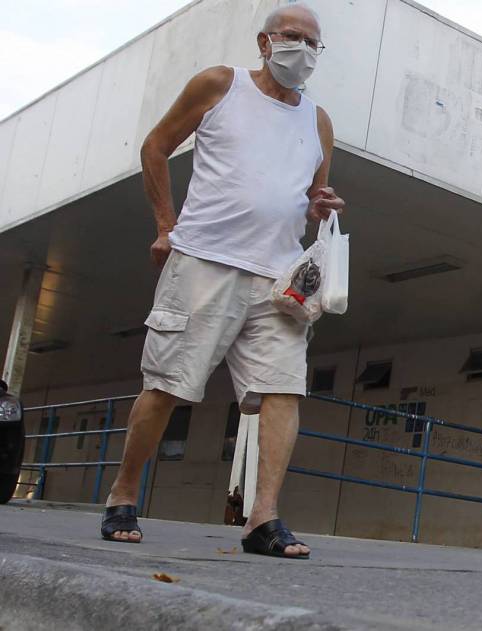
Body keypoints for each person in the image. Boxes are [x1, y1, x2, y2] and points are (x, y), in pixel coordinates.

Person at [99, 2, 344, 559]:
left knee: (284, 390)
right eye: (291, 36)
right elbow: (155, 147)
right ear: (264, 42)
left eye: (312, 43)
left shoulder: (318, 120)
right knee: (167, 385)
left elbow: (314, 198)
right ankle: (122, 494)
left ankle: (264, 518)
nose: (301, 50)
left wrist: (322, 205)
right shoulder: (219, 85)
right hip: (204, 262)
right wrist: (166, 224)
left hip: (278, 280)